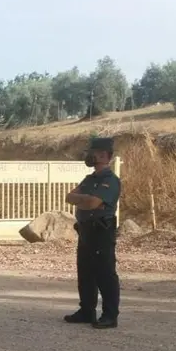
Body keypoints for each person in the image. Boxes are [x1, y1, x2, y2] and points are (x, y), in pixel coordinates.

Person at [64, 137, 122, 329]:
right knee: (85, 272)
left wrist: (83, 199)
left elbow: (93, 203)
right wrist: (85, 199)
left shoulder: (111, 181)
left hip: (101, 230)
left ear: (104, 155)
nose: (89, 156)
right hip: (86, 229)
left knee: (105, 273)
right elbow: (69, 197)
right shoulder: (89, 179)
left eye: (93, 152)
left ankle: (110, 315)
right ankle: (87, 311)